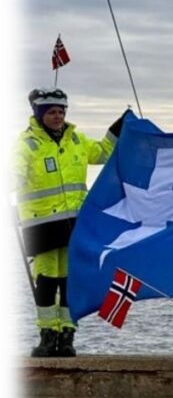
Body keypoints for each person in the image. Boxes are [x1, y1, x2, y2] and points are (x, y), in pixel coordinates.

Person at [14, 88, 124, 358]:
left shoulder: (76, 140)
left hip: (74, 224)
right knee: (46, 280)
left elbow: (102, 153)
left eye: (61, 112)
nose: (58, 116)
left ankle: (67, 334)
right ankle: (47, 334)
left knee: (69, 281)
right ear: (39, 114)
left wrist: (120, 128)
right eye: (52, 112)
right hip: (41, 226)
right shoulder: (26, 145)